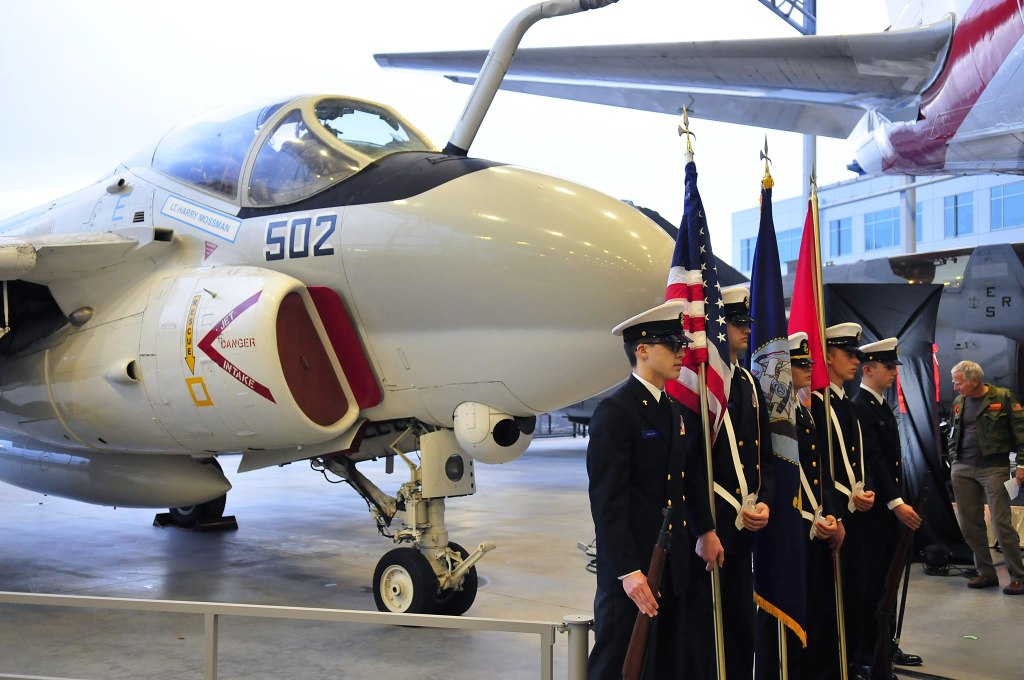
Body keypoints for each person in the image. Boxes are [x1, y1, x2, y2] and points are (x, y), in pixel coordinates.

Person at [586, 300, 724, 680]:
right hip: (632, 571)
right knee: (618, 664)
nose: (682, 352)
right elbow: (607, 501)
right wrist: (628, 570)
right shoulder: (616, 411)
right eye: (671, 344)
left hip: (670, 563)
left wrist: (704, 529)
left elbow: (684, 480)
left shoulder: (674, 411)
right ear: (642, 350)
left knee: (665, 664)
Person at [754, 332, 840, 680]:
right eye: (800, 364)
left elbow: (818, 468)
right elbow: (785, 469)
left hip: (813, 522)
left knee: (816, 607)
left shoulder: (803, 411)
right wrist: (810, 516)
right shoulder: (781, 412)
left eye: (808, 363)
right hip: (794, 522)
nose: (809, 369)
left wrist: (827, 513)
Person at [706, 285, 774, 680]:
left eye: (746, 323)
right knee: (716, 621)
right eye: (736, 323)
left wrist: (764, 499)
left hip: (748, 519)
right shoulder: (704, 383)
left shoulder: (747, 382)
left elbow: (762, 451)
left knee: (740, 621)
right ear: (718, 327)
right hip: (717, 519)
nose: (746, 331)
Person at [850, 338, 923, 674]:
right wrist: (896, 502)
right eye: (889, 366)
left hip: (887, 509)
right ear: (869, 369)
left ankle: (884, 644)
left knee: (886, 581)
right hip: (875, 512)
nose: (894, 372)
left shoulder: (880, 405)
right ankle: (866, 652)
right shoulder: (860, 406)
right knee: (872, 583)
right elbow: (874, 461)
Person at [810, 322, 873, 679]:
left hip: (853, 510)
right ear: (828, 357)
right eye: (848, 354)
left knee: (855, 589)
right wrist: (839, 504)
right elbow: (819, 465)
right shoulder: (820, 403)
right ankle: (838, 663)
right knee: (834, 596)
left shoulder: (842, 402)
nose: (854, 361)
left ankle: (850, 659)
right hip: (834, 513)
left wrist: (859, 492)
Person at [947, 360, 1024, 595]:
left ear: (975, 381)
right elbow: (952, 431)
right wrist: (953, 460)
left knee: (1001, 524)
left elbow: (1021, 433)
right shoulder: (959, 402)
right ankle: (986, 573)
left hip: (994, 469)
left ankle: (1018, 576)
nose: (955, 387)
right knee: (970, 524)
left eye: (958, 382)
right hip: (962, 468)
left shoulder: (1003, 397)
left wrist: (1022, 464)